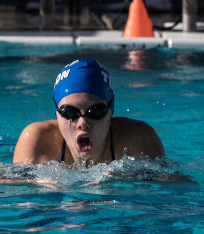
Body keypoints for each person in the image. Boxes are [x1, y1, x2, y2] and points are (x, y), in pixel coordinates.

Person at [13, 58, 165, 166]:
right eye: (70, 113)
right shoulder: (36, 139)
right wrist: (39, 183)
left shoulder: (138, 138)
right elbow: (3, 183)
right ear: (56, 112)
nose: (83, 123)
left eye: (96, 111)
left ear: (110, 111)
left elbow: (172, 186)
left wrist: (123, 182)